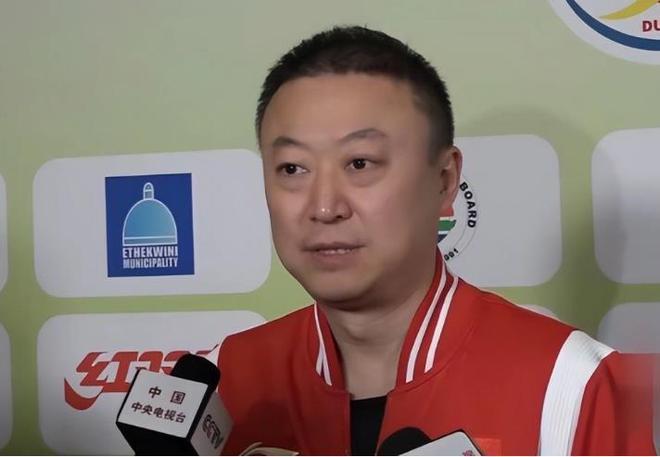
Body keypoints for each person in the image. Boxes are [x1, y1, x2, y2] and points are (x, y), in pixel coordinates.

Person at [214, 26, 655, 455]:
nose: (325, 207)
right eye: (292, 168)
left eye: (360, 163)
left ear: (444, 181)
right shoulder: (221, 382)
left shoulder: (570, 384)